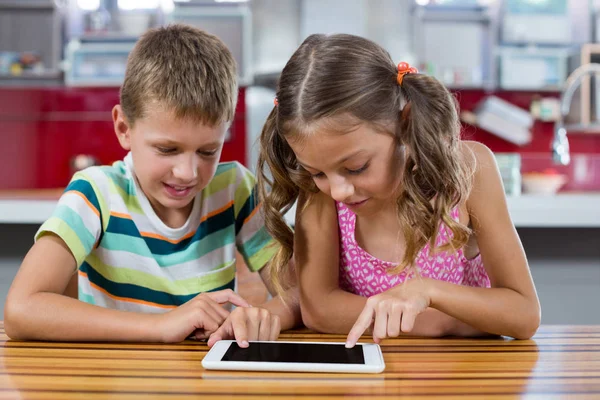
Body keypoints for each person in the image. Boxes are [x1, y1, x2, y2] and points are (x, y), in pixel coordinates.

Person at [4, 24, 300, 347]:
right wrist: (160, 326)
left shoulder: (235, 189)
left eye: (207, 151)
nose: (188, 172)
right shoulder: (96, 194)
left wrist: (260, 317)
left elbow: (298, 294)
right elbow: (22, 308)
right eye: (167, 149)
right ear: (123, 128)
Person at [256, 33, 541, 348]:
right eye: (317, 172)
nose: (337, 191)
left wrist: (428, 291)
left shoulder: (471, 170)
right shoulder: (320, 190)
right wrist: (452, 322)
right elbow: (318, 310)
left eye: (356, 167)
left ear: (404, 123)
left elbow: (523, 313)